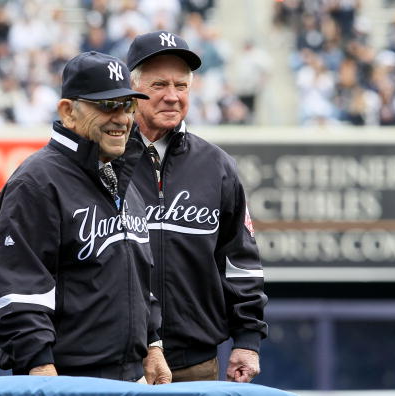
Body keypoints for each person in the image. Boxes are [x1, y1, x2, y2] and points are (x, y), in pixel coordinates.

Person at [0, 51, 171, 384]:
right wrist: (40, 369)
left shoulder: (121, 178)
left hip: (129, 377)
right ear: (68, 111)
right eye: (107, 106)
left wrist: (153, 344)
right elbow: (22, 291)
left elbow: (138, 278)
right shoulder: (36, 183)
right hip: (67, 378)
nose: (121, 118)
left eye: (127, 105)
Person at [126, 31, 268, 383]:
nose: (172, 96)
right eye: (159, 85)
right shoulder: (105, 163)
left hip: (196, 363)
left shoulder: (217, 166)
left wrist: (247, 340)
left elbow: (240, 262)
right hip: (120, 363)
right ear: (132, 90)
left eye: (182, 86)